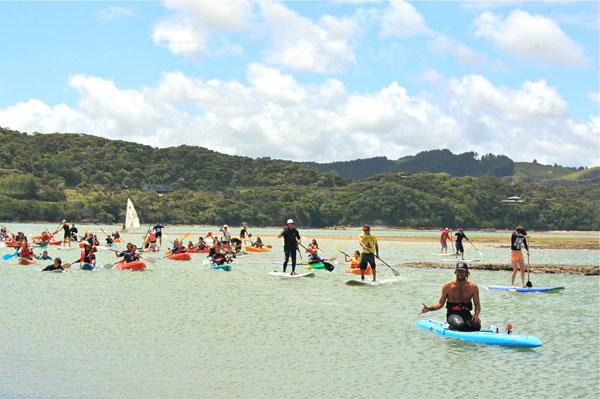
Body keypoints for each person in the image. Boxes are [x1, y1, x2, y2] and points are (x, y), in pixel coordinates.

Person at [420, 262, 481, 332]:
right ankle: (451, 326)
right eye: (458, 271)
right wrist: (429, 309)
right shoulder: (447, 286)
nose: (460, 273)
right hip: (452, 313)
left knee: (476, 326)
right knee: (460, 325)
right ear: (455, 272)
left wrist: (476, 314)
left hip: (466, 313)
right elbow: (440, 304)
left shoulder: (473, 287)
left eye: (462, 271)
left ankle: (463, 327)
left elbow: (477, 304)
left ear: (467, 273)